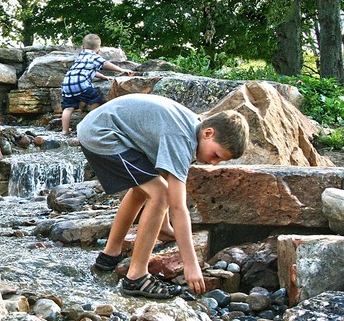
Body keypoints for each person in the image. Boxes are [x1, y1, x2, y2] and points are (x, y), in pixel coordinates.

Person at [81, 93, 248, 299]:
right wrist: (191, 264)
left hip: (106, 129)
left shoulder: (192, 127)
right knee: (160, 194)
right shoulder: (181, 138)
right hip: (102, 134)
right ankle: (136, 277)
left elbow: (164, 175)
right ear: (208, 133)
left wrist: (164, 226)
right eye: (216, 155)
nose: (214, 163)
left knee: (143, 190)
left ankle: (110, 254)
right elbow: (178, 207)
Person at [61, 34, 134, 135]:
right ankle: (90, 125)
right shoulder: (94, 56)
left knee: (68, 108)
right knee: (94, 100)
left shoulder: (81, 55)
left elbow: (90, 70)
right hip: (81, 84)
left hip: (67, 84)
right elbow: (106, 64)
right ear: (99, 50)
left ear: (83, 47)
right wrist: (121, 69)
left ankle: (64, 131)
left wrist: (103, 77)